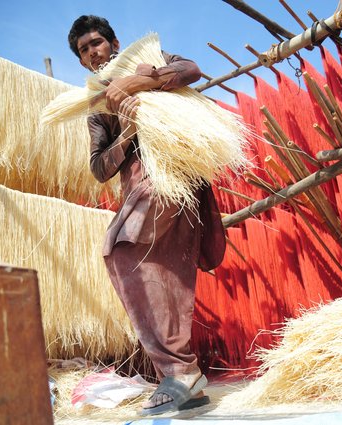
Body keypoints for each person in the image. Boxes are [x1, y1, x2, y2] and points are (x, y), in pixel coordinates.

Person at [67, 15, 226, 416]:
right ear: (82, 60)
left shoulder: (147, 57)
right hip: (140, 187)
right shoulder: (96, 107)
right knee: (157, 270)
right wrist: (126, 131)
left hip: (174, 178)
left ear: (113, 41)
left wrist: (142, 80)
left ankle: (179, 371)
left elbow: (191, 69)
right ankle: (185, 376)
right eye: (85, 50)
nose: (93, 52)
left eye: (97, 43)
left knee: (120, 250)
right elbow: (100, 168)